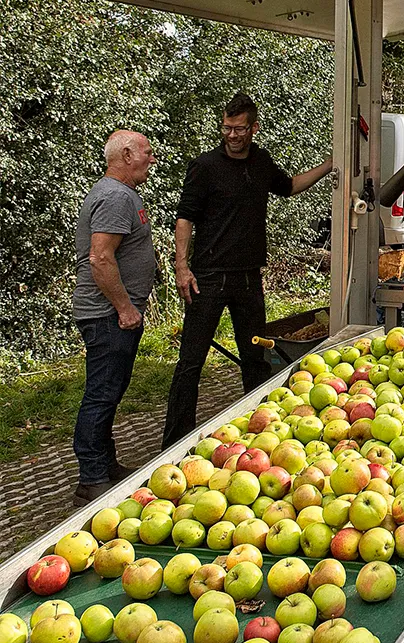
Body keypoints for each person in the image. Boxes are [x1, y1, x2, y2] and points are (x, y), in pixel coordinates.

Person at [163, 93, 332, 448]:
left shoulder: (260, 162)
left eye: (240, 128)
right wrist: (181, 267)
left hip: (248, 278)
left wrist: (332, 163)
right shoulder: (204, 166)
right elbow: (185, 219)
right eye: (227, 127)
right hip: (207, 277)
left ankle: (260, 433)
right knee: (191, 361)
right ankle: (174, 443)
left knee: (255, 358)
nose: (233, 135)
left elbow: (290, 187)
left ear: (254, 128)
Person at [71, 131, 158, 506]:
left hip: (112, 314)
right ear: (126, 154)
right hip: (107, 315)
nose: (152, 160)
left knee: (110, 390)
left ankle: (105, 465)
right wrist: (124, 307)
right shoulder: (114, 196)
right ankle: (90, 479)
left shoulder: (121, 194)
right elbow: (100, 258)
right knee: (102, 393)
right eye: (147, 153)